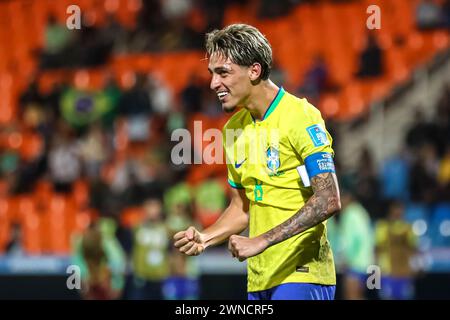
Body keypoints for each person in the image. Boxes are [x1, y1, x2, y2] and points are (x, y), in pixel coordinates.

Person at [174, 24, 341, 300]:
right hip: (260, 279)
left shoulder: (300, 116)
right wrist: (206, 237)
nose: (214, 83)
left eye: (223, 72)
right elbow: (242, 208)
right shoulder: (232, 130)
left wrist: (261, 240)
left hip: (302, 274)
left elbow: (329, 198)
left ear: (254, 70)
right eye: (212, 74)